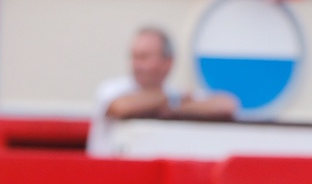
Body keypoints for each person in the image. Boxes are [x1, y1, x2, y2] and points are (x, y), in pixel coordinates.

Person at [91, 26, 239, 142]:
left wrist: (175, 107)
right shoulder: (112, 89)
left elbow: (228, 104)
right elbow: (121, 107)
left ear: (167, 63)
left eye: (143, 57)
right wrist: (172, 102)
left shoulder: (173, 95)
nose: (136, 65)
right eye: (134, 56)